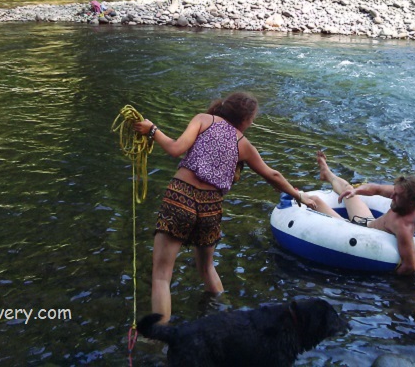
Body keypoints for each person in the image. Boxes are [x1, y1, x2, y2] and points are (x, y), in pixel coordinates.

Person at [133, 92, 318, 323]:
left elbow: (175, 149)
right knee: (207, 268)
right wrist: (299, 195)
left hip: (180, 198)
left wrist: (152, 130)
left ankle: (158, 340)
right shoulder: (243, 144)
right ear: (246, 120)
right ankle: (227, 319)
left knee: (161, 276)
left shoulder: (204, 119)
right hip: (211, 208)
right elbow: (273, 175)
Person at [308, 150, 415, 276]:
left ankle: (297, 195)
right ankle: (326, 173)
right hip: (368, 222)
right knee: (349, 190)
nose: (392, 195)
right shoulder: (408, 199)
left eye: (397, 196)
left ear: (411, 202)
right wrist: (357, 191)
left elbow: (411, 267)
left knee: (314, 200)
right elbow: (376, 189)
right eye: (394, 192)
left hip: (359, 233)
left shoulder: (403, 227)